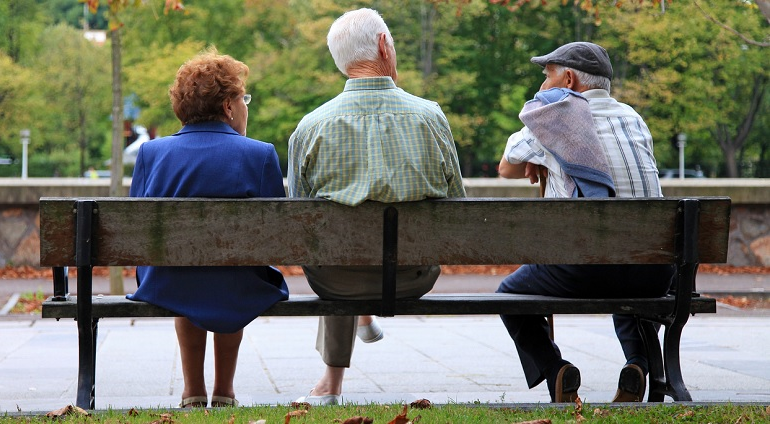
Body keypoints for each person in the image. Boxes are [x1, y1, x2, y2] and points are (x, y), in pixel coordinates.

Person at [287, 8, 466, 405]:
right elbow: (458, 206)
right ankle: (357, 333)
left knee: (335, 251)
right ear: (385, 45)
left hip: (336, 280)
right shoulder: (430, 117)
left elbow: (298, 220)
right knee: (347, 248)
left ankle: (331, 383)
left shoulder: (310, 126)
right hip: (413, 277)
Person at [497, 41, 670, 403]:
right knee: (625, 266)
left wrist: (541, 147)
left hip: (584, 269)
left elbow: (506, 169)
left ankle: (555, 368)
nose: (543, 85)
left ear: (569, 79)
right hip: (654, 270)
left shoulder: (556, 114)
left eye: (547, 77)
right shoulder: (633, 118)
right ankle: (637, 363)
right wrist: (546, 158)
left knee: (509, 295)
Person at [126, 48, 289, 409]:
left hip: (168, 281)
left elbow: (136, 233)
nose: (246, 106)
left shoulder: (151, 154)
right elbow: (276, 237)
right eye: (242, 98)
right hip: (240, 281)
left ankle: (193, 391)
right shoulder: (260, 154)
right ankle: (225, 391)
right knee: (233, 273)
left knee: (185, 275)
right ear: (229, 107)